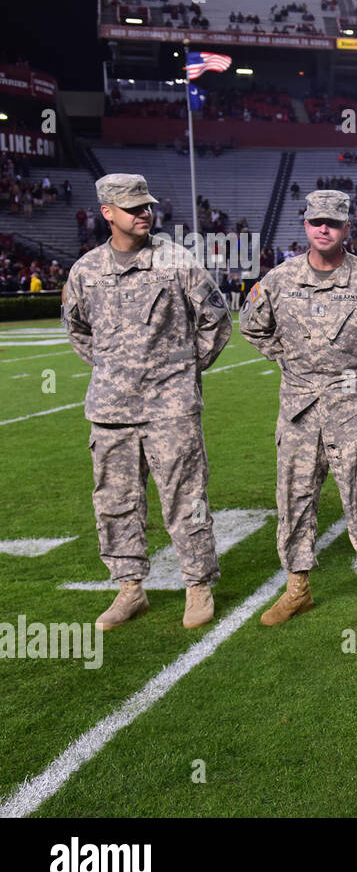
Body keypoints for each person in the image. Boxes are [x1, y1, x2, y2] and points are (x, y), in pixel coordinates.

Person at [240, 190, 357, 627]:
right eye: (316, 221)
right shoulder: (279, 280)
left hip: (355, 411)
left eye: (333, 223)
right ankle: (297, 588)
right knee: (295, 499)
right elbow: (250, 326)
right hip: (299, 412)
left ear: (346, 228)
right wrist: (286, 359)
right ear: (305, 225)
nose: (324, 228)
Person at [62, 174, 232, 631]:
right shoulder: (85, 271)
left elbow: (216, 320)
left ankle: (197, 585)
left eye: (147, 206)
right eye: (133, 207)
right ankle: (129, 589)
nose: (144, 213)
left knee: (186, 498)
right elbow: (77, 328)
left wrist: (183, 371)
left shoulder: (177, 261)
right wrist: (110, 369)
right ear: (107, 213)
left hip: (170, 408)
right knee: (115, 501)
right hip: (110, 412)